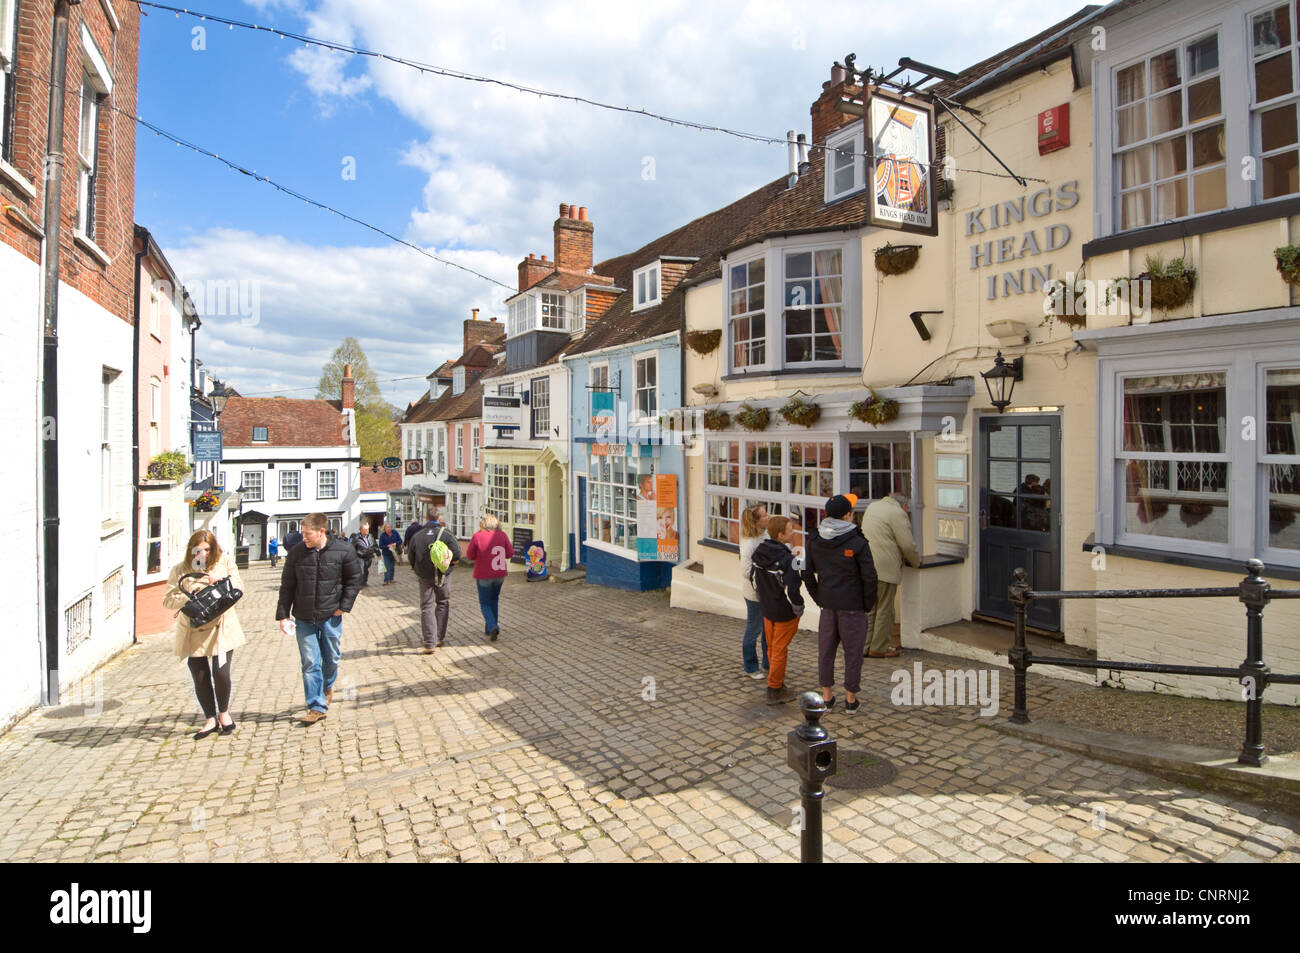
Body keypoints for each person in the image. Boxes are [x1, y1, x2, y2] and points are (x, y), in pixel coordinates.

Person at [276, 512, 363, 725]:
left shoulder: (343, 550)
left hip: (330, 616)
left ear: (321, 531)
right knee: (310, 662)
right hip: (304, 617)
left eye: (308, 534)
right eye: (303, 534)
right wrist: (283, 615)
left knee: (331, 658)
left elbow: (354, 579)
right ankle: (316, 706)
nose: (303, 538)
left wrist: (344, 607)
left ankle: (327, 686)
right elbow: (287, 586)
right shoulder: (296, 554)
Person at [163, 529, 246, 739]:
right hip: (193, 629)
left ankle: (224, 713)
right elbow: (168, 600)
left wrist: (219, 584)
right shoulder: (180, 570)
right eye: (199, 550)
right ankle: (210, 718)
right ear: (192, 549)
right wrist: (190, 597)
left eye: (208, 549)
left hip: (221, 629)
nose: (203, 554)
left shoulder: (224, 563)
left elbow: (238, 586)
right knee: (199, 676)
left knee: (221, 673)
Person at [803, 494, 878, 714]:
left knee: (825, 651)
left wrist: (819, 598)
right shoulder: (857, 541)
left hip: (828, 606)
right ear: (847, 515)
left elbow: (807, 574)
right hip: (853, 607)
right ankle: (850, 699)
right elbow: (870, 577)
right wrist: (867, 604)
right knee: (853, 653)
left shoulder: (815, 540)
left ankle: (826, 697)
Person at [750, 515, 805, 705]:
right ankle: (775, 687)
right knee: (779, 649)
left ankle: (775, 681)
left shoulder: (760, 552)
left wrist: (762, 598)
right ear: (781, 535)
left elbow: (753, 579)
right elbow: (792, 588)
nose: (793, 532)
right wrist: (798, 607)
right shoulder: (785, 559)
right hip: (783, 611)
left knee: (773, 646)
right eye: (790, 530)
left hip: (767, 608)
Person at [860, 491, 920, 659]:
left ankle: (865, 646)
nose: (907, 512)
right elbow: (907, 545)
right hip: (885, 568)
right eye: (908, 509)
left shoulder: (873, 506)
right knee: (885, 609)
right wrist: (916, 562)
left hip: (867, 566)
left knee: (871, 609)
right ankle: (879, 648)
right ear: (904, 505)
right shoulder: (897, 513)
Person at [408, 508, 462, 653]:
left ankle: (429, 642)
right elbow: (457, 554)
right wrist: (448, 565)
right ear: (439, 519)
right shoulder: (446, 534)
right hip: (443, 575)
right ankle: (439, 637)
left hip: (424, 576)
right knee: (443, 603)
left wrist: (418, 570)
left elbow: (411, 558)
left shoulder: (417, 536)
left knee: (427, 607)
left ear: (426, 518)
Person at [465, 512, 513, 641]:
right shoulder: (502, 535)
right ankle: (490, 628)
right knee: (494, 600)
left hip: (484, 574)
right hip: (499, 574)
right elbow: (510, 553)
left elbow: (469, 555)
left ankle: (492, 626)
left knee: (485, 602)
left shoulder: (477, 536)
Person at [738, 504, 770, 679]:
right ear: (756, 521)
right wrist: (763, 581)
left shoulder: (765, 534)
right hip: (754, 593)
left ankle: (768, 662)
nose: (769, 516)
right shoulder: (749, 542)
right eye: (764, 515)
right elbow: (746, 569)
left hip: (767, 592)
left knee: (767, 629)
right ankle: (751, 666)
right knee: (754, 628)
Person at [350, 520, 379, 587]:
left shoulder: (370, 536)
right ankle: (360, 584)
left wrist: (378, 554)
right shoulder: (356, 537)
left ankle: (365, 582)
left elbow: (375, 545)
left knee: (366, 570)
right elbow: (351, 547)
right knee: (361, 570)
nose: (367, 531)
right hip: (360, 557)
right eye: (365, 529)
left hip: (368, 556)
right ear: (361, 530)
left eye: (367, 529)